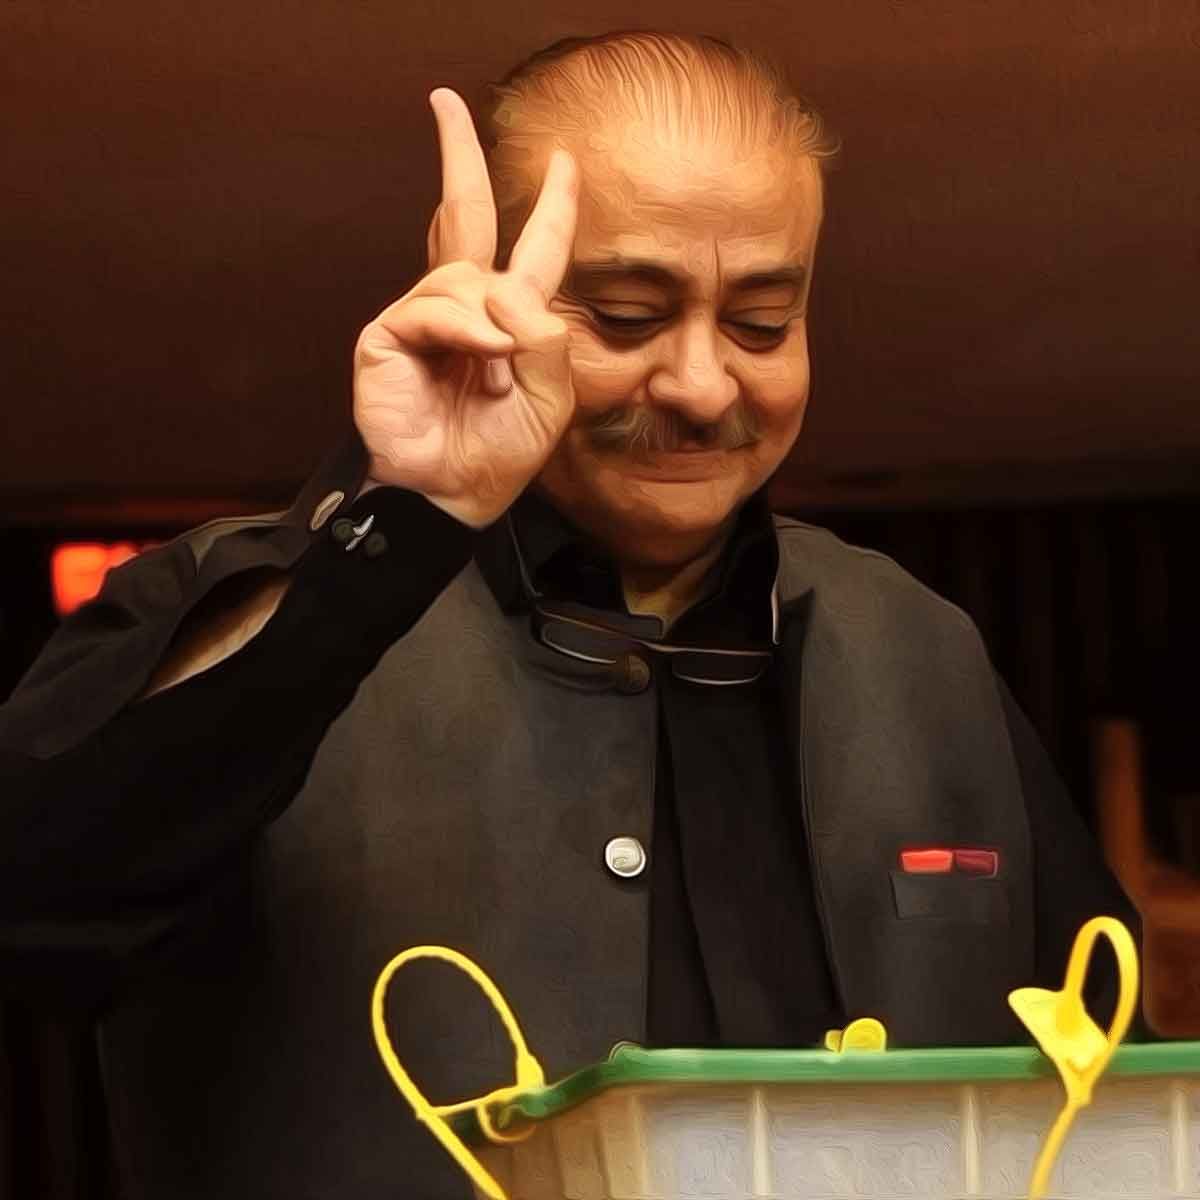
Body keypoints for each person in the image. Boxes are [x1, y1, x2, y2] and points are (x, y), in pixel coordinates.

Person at [0, 30, 1139, 1200]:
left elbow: (1110, 1090)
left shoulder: (918, 646)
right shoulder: (232, 595)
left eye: (761, 323)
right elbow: (35, 914)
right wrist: (399, 524)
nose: (702, 386)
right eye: (627, 315)